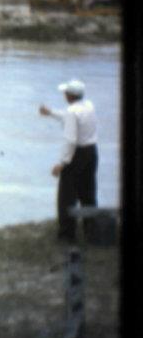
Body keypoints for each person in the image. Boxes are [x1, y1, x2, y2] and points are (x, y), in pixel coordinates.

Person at [39, 78, 99, 243]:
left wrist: (62, 163)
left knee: (67, 196)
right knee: (88, 194)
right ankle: (91, 232)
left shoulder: (72, 112)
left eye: (66, 92)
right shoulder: (89, 106)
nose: (64, 95)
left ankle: (67, 234)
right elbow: (69, 117)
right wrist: (51, 113)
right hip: (91, 152)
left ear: (70, 95)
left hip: (76, 155)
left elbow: (70, 140)